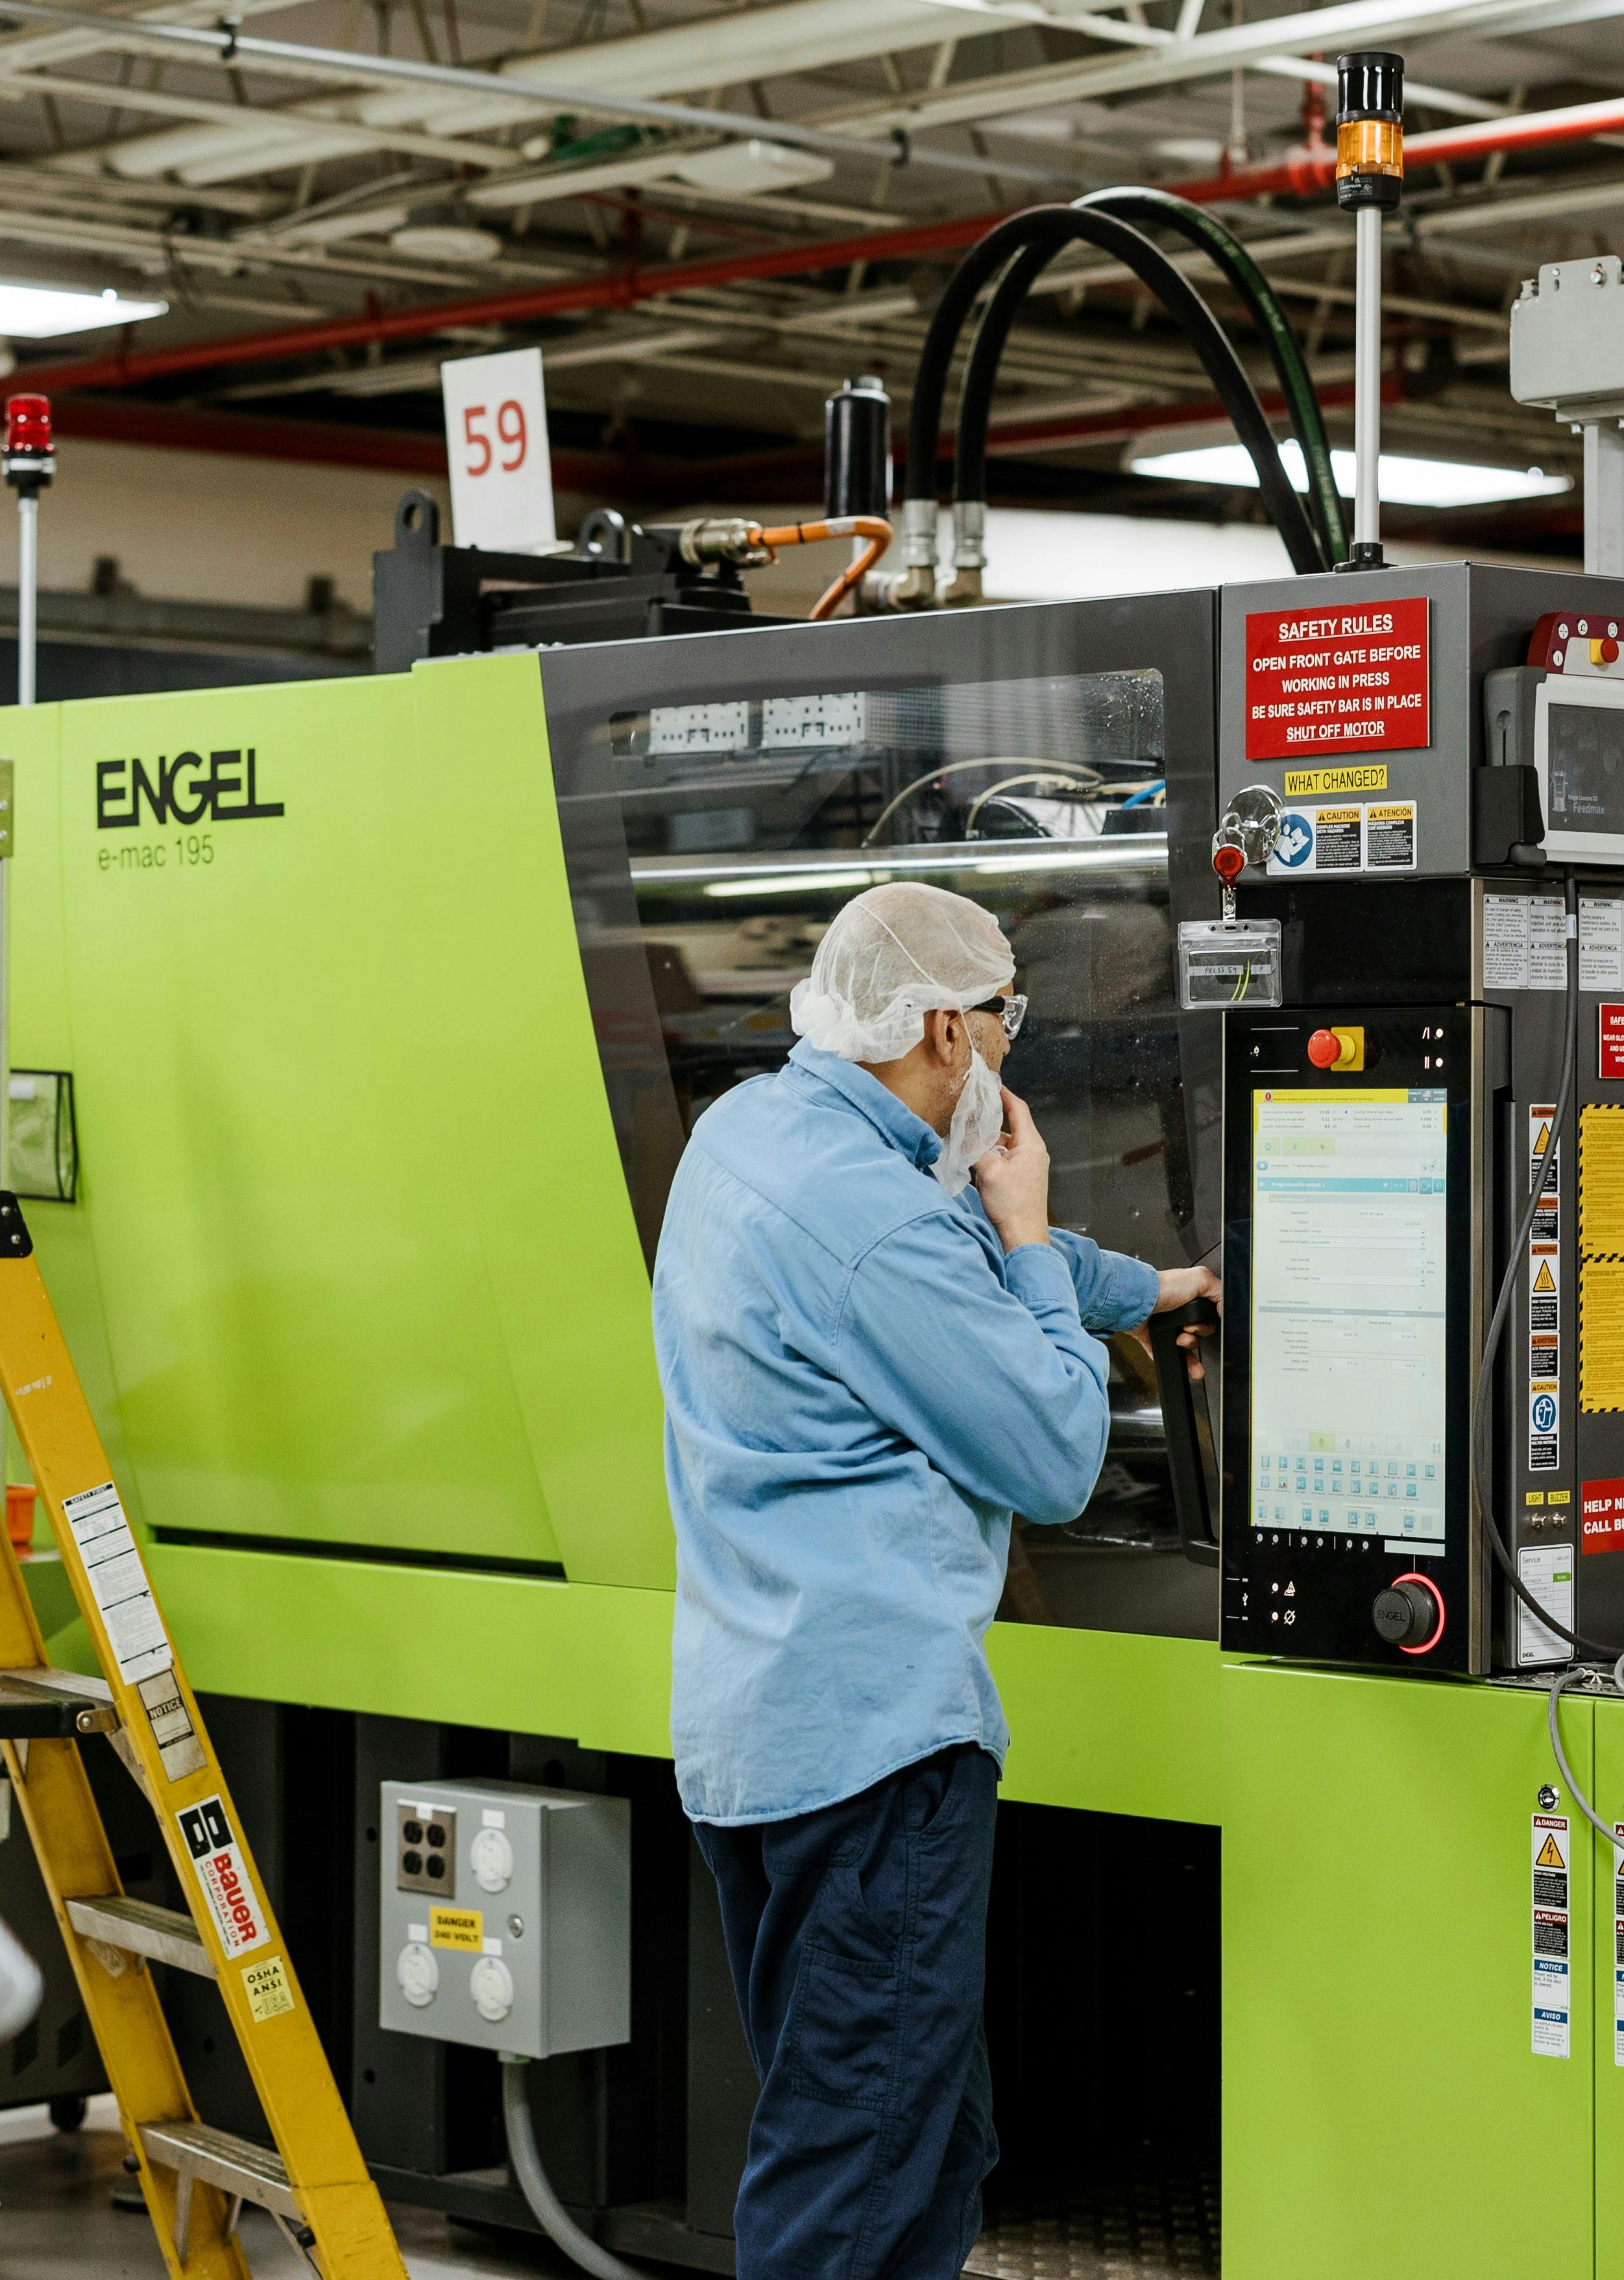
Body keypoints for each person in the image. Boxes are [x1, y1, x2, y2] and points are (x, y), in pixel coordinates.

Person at [655, 882, 1217, 2280]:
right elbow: (1048, 1451)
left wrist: (1157, 1285)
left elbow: (946, 1265)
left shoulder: (755, 1132)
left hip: (758, 1729)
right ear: (944, 1030)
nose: (1011, 1052)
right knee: (856, 2163)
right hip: (872, 1745)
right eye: (1005, 1019)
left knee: (927, 2136)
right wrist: (1029, 1239)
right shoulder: (870, 1215)